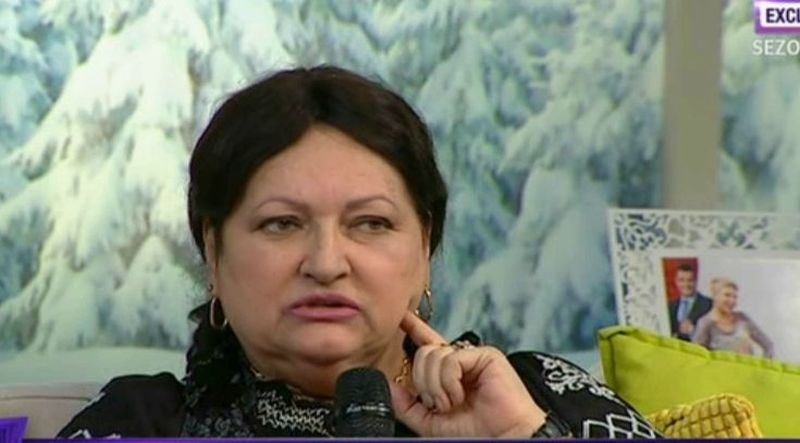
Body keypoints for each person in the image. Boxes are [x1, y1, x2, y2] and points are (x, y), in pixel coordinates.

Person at [57, 66, 659, 439]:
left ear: (424, 250)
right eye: (281, 224)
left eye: (370, 223)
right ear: (213, 253)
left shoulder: (540, 398)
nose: (326, 263)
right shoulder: (139, 423)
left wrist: (524, 438)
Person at [693, 277, 774, 358]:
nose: (732, 301)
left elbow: (768, 345)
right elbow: (696, 355)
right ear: (715, 296)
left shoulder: (743, 319)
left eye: (735, 297)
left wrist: (761, 365)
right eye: (727, 295)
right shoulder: (705, 323)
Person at [667, 264, 712, 341]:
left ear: (696, 281)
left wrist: (694, 331)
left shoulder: (709, 304)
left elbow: (715, 336)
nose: (686, 284)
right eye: (682, 280)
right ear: (676, 282)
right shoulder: (670, 306)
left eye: (690, 280)